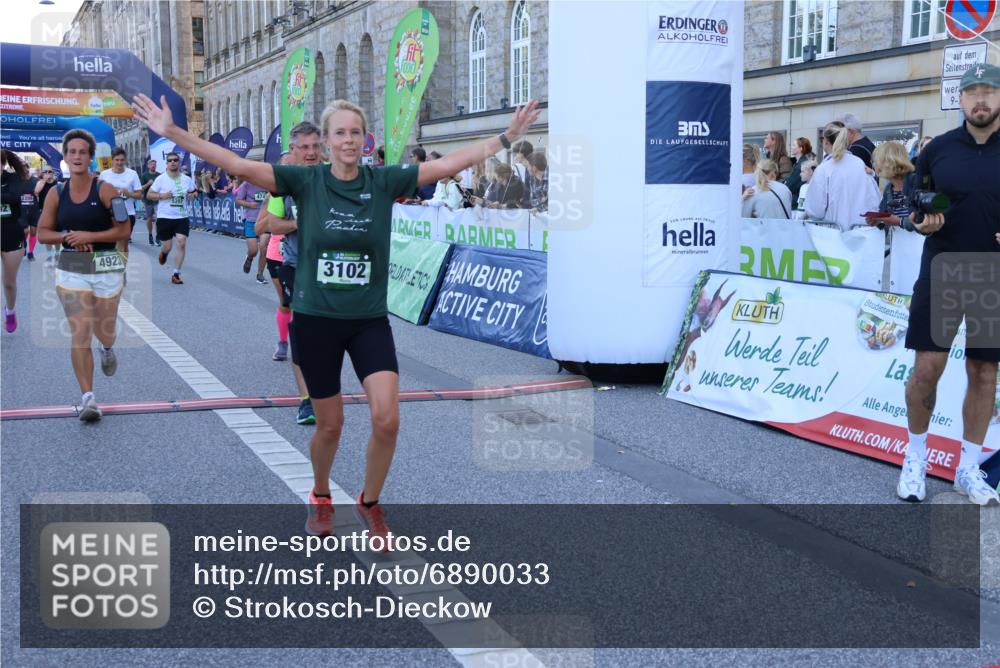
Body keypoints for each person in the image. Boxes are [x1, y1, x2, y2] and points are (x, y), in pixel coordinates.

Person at [132, 91, 540, 540]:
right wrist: (173, 132)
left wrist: (507, 136)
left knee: (387, 418)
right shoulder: (306, 182)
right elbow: (237, 166)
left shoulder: (382, 180)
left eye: (355, 132)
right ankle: (321, 493)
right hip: (315, 320)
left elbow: (447, 166)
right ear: (326, 142)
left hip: (367, 321)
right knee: (330, 425)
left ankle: (370, 503)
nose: (348, 140)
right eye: (339, 133)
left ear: (366, 139)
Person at [894, 63, 1000, 506]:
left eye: (990, 91)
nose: (981, 99)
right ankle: (914, 456)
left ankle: (968, 468)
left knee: (983, 371)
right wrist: (921, 225)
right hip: (944, 269)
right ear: (960, 100)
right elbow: (912, 204)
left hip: (993, 274)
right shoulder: (937, 149)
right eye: (973, 91)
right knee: (927, 369)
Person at [36, 130, 131, 421]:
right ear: (64, 157)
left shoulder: (105, 190)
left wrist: (90, 235)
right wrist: (68, 238)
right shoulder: (57, 193)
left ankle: (107, 347)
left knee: (105, 330)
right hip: (72, 268)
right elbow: (42, 233)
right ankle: (88, 397)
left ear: (91, 158)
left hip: (105, 266)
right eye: (71, 152)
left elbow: (123, 230)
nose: (76, 157)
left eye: (82, 152)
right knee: (80, 331)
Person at [255, 124, 323, 425]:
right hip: (297, 266)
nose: (310, 153)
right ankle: (307, 399)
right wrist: (302, 222)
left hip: (331, 267)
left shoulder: (334, 178)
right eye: (304, 148)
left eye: (315, 147)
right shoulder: (284, 186)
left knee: (330, 333)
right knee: (303, 331)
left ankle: (323, 387)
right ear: (293, 150)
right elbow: (273, 225)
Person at [803, 123, 880, 231]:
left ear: (825, 141)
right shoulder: (860, 164)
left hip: (833, 235)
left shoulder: (824, 169)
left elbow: (816, 211)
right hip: (861, 233)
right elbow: (874, 201)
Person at [149, 151, 197, 284]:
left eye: (175, 160)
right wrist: (161, 196)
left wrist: (193, 195)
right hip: (164, 217)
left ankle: (176, 273)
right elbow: (149, 194)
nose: (173, 162)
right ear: (166, 163)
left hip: (181, 217)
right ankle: (164, 253)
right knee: (167, 247)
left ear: (179, 162)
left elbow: (194, 191)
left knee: (182, 242)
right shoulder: (161, 179)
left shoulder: (186, 179)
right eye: (170, 160)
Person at [1, 150, 30, 332]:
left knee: (9, 283)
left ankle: (10, 311)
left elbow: (15, 197)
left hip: (11, 234)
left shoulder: (14, 179)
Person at [98, 147, 143, 253]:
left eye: (122, 160)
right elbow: (98, 194)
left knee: (123, 244)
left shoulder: (132, 174)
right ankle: (114, 266)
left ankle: (121, 268)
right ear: (112, 160)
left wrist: (129, 193)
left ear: (125, 160)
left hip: (127, 214)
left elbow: (139, 195)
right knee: (110, 243)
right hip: (108, 214)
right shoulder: (104, 175)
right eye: (117, 160)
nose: (119, 162)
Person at [866, 141, 918, 231]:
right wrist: (877, 222)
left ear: (888, 162)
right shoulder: (889, 189)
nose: (873, 165)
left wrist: (899, 221)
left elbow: (924, 223)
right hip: (900, 244)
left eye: (875, 161)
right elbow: (886, 219)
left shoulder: (916, 184)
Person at [235, 174, 267, 276]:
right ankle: (249, 258)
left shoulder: (267, 184)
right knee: (253, 251)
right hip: (251, 220)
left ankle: (260, 273)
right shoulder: (246, 185)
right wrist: (249, 204)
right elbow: (238, 200)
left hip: (265, 220)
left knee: (264, 248)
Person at [36, 166, 61, 262]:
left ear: (53, 172)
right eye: (45, 171)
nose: (47, 173)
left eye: (49, 171)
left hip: (56, 212)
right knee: (47, 235)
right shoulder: (40, 183)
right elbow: (36, 192)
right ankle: (50, 255)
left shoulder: (57, 183)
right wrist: (44, 180)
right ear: (42, 173)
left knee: (57, 234)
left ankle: (58, 253)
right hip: (44, 212)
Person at [784, 137, 815, 206]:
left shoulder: (801, 165)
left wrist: (786, 182)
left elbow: (789, 186)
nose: (791, 147)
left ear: (801, 148)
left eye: (794, 145)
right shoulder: (798, 163)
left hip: (795, 202)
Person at [139, 159, 161, 246]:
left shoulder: (159, 175)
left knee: (158, 218)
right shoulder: (144, 176)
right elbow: (141, 189)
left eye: (154, 164)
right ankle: (150, 235)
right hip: (148, 200)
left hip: (157, 200)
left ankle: (158, 236)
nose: (153, 166)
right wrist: (148, 184)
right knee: (149, 219)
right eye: (151, 164)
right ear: (148, 166)